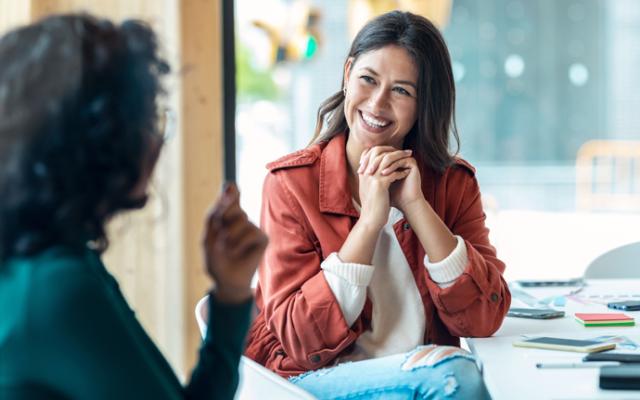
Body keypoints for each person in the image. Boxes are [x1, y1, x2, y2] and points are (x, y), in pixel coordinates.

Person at [245, 10, 510, 399]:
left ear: (425, 104)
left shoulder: (453, 185)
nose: (378, 103)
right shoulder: (291, 185)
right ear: (348, 73)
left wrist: (417, 207)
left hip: (422, 379)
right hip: (314, 382)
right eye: (368, 80)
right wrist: (370, 223)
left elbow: (483, 318)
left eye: (402, 90)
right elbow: (300, 340)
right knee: (457, 376)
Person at [0, 14, 267, 399]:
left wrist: (231, 293)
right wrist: (230, 301)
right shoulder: (57, 289)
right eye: (150, 119)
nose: (158, 141)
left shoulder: (41, 261)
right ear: (104, 141)